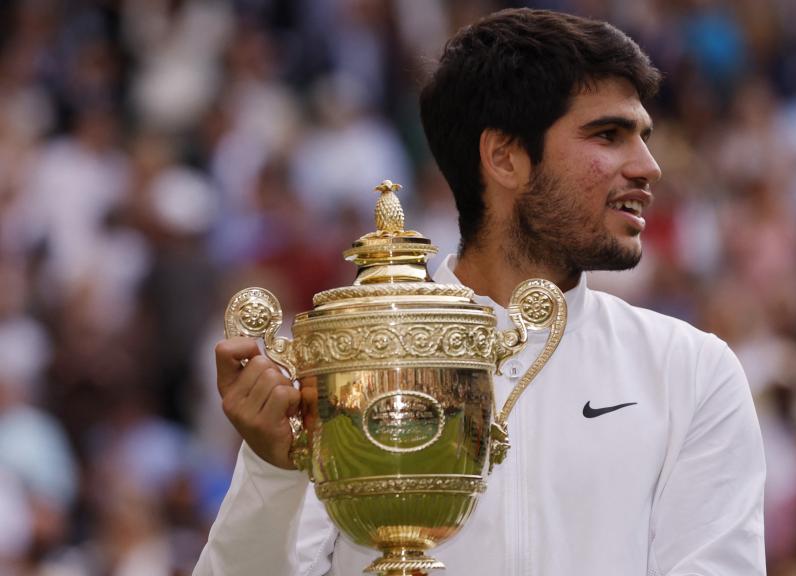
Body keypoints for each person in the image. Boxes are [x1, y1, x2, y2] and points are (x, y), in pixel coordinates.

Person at [195, 8, 765, 575]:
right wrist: (273, 469)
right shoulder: (352, 363)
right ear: (504, 158)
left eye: (643, 136)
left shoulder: (691, 372)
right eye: (609, 135)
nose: (649, 167)